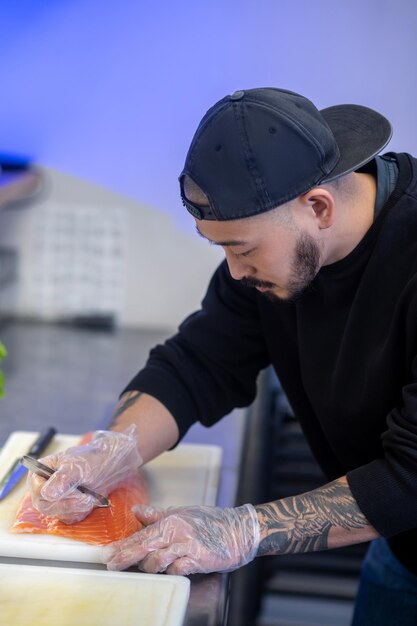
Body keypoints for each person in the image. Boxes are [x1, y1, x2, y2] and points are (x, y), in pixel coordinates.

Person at [29, 87, 417, 624]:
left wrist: (246, 529)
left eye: (243, 248)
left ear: (319, 207)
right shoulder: (277, 254)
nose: (234, 271)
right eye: (223, 249)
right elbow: (198, 362)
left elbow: (411, 476)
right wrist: (112, 448)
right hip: (402, 548)